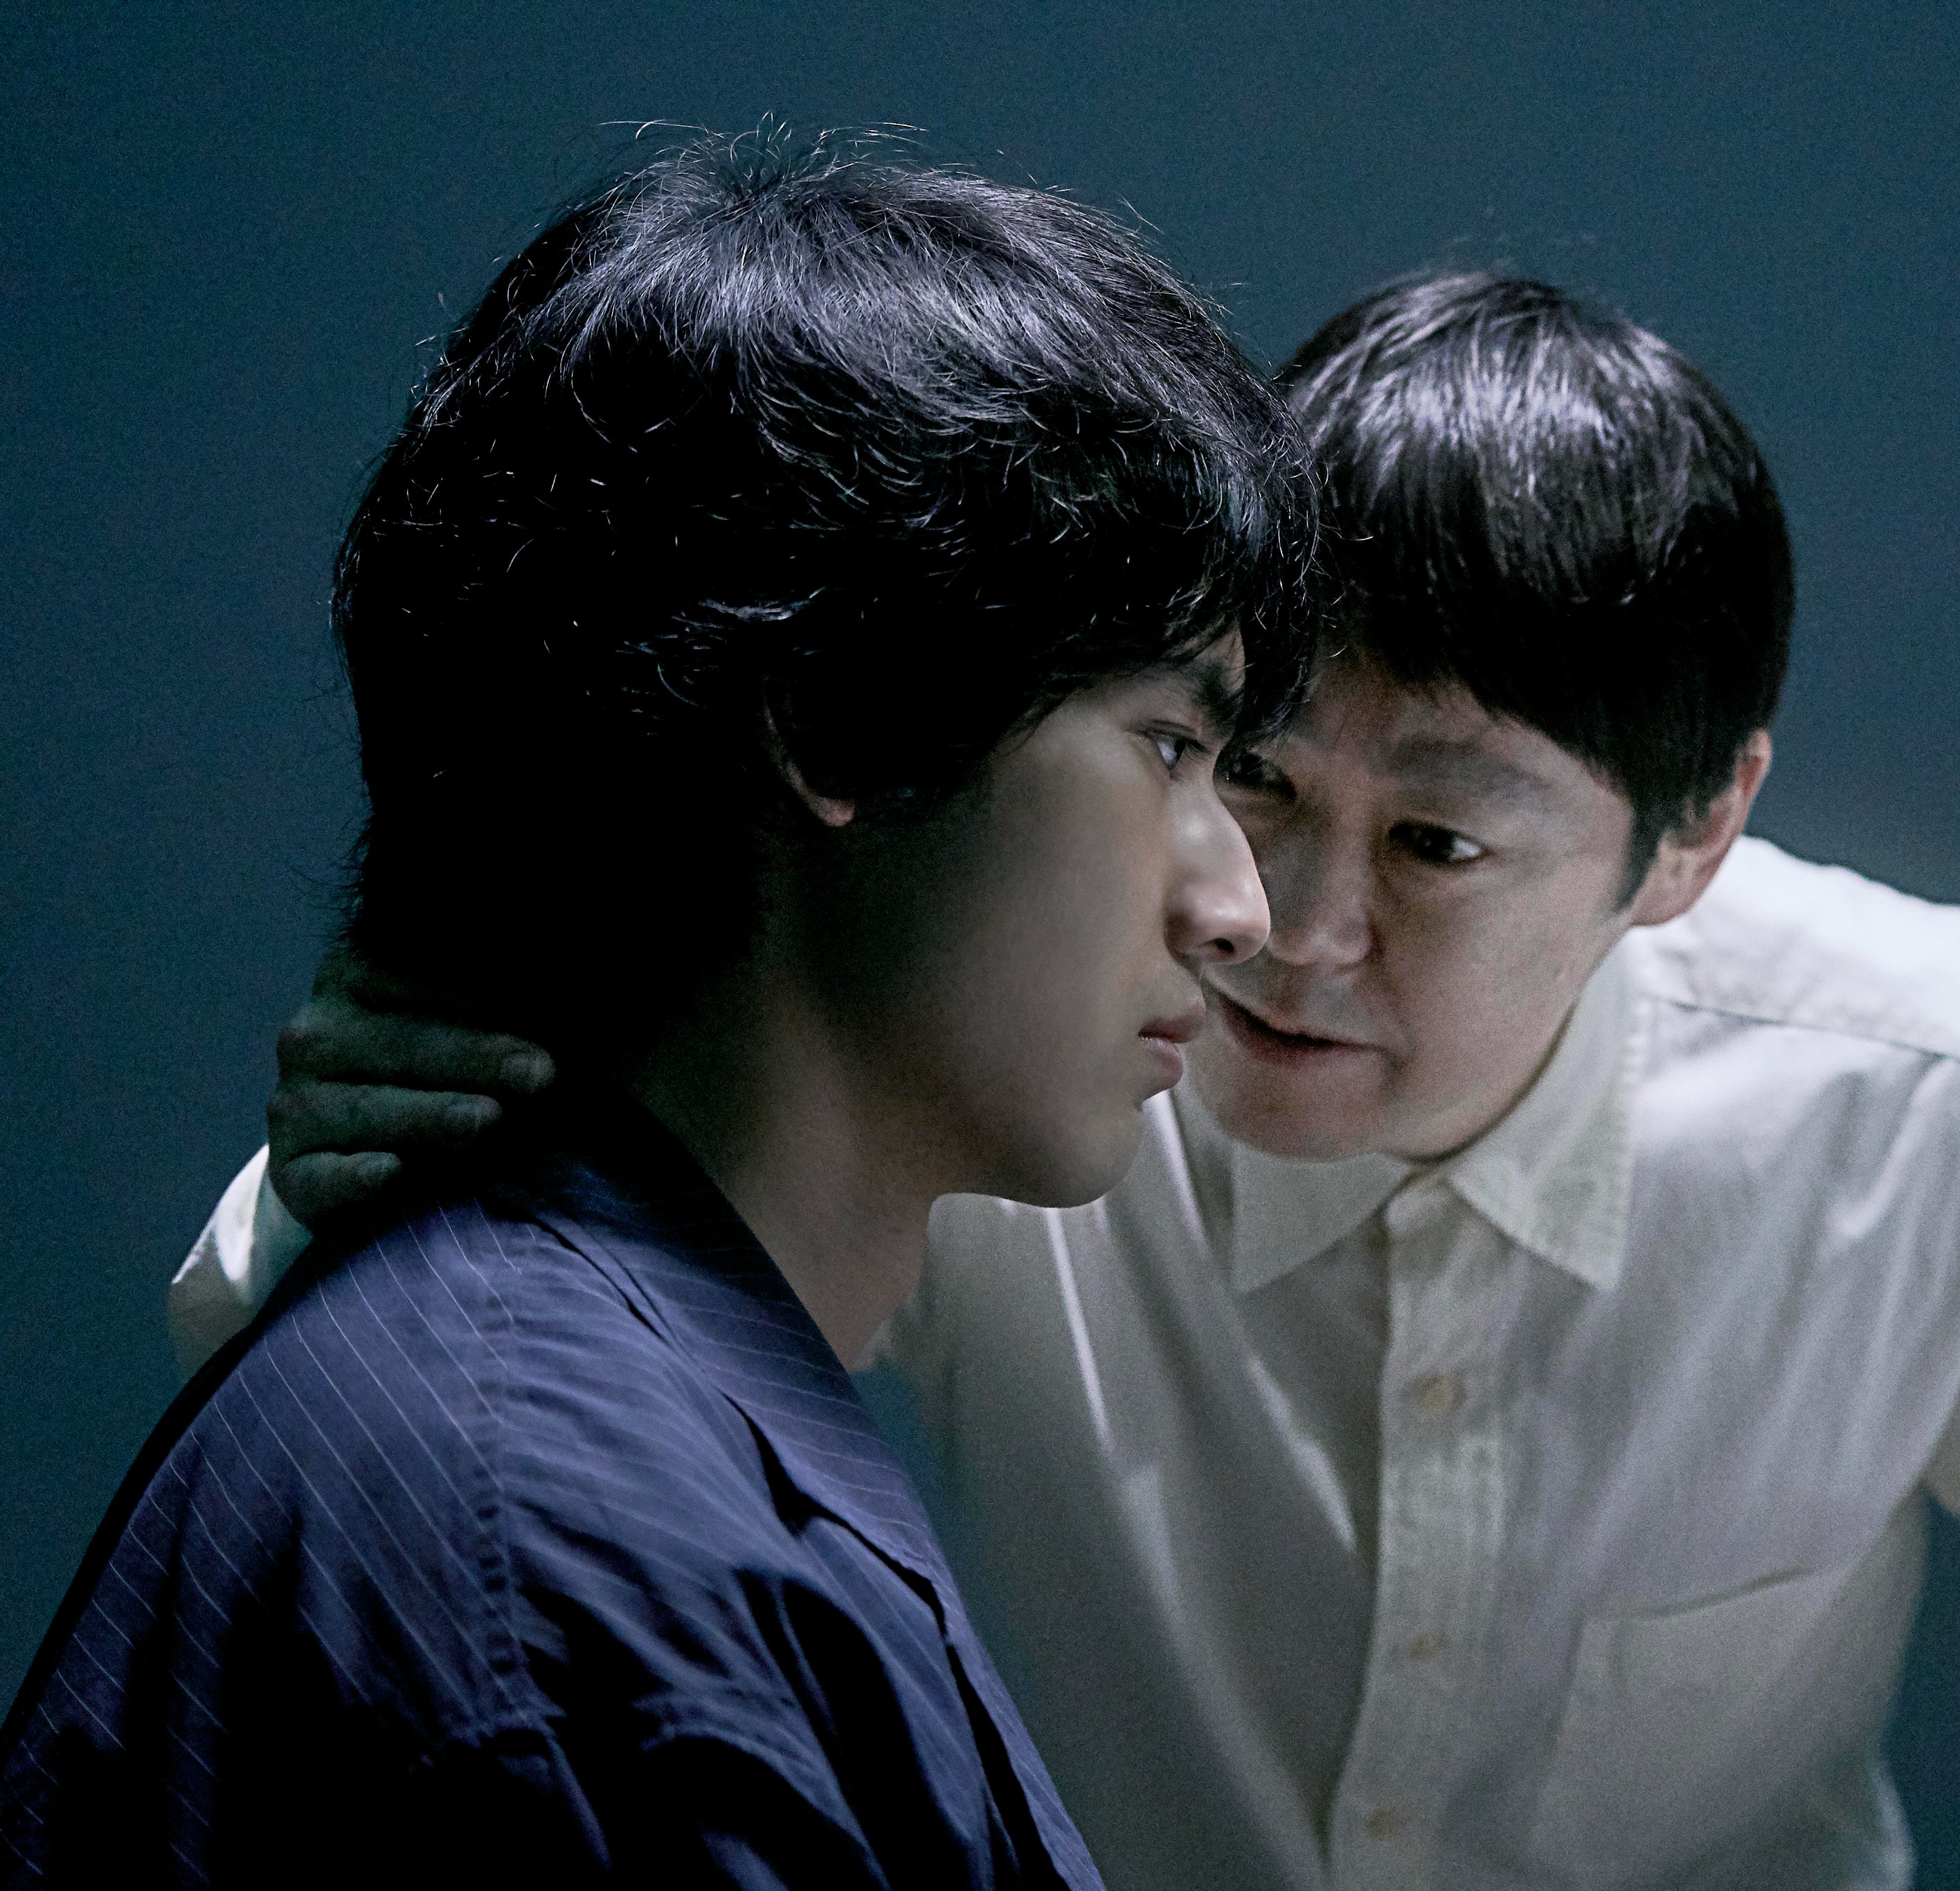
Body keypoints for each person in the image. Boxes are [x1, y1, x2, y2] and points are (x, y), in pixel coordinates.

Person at [172, 274, 1960, 1890]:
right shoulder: (1037, 1040)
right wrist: (387, 1183)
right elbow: (548, 1405)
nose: (1275, 922)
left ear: (1695, 834)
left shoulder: (1942, 1097)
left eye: (1437, 845)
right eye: (1247, 770)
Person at [6, 133, 1317, 1886]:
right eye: (1166, 744)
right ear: (845, 716)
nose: (1239, 910)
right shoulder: (578, 1582)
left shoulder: (585, 1437)